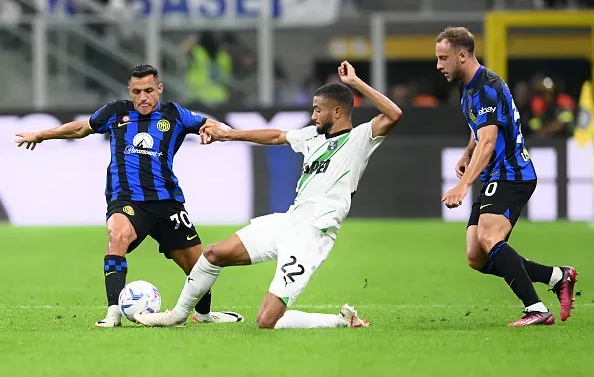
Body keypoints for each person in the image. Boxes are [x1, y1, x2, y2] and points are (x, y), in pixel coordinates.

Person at [133, 61, 403, 329]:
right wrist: (229, 135)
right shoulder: (312, 136)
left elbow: (393, 114)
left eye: (317, 110)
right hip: (290, 221)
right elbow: (276, 136)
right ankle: (178, 315)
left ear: (337, 110)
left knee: (266, 321)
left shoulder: (360, 139)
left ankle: (341, 321)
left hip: (312, 236)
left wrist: (354, 83)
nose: (313, 116)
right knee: (214, 253)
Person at [15, 64, 243, 327]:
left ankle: (204, 315)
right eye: (136, 91)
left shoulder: (175, 114)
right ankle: (113, 313)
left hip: (167, 203)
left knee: (199, 266)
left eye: (148, 90)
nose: (142, 97)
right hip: (127, 200)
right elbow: (81, 128)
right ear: (129, 91)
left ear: (159, 89)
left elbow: (210, 124)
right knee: (117, 235)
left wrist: (215, 129)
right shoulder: (116, 112)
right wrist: (42, 135)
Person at [435, 27, 578, 327]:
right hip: (495, 175)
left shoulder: (487, 86)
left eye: (443, 58)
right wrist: (466, 151)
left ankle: (536, 308)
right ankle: (557, 276)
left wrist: (463, 185)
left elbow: (489, 142)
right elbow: (481, 132)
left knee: (489, 236)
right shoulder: (468, 86)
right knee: (476, 255)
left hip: (511, 173)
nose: (439, 65)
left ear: (462, 55)